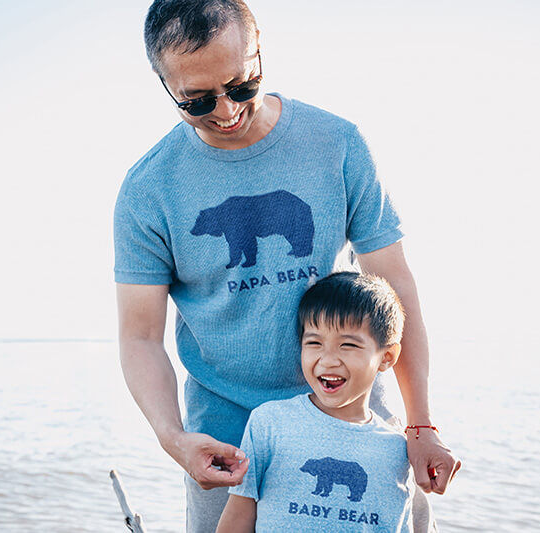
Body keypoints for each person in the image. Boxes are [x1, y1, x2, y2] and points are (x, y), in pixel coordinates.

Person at [114, 1, 460, 531]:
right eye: (198, 99)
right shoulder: (148, 191)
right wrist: (174, 438)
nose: (226, 110)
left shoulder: (337, 143)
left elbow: (394, 286)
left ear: (260, 51)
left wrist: (421, 424)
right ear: (164, 84)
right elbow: (140, 337)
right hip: (228, 434)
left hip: (355, 416)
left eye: (241, 84)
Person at [216, 271, 414, 532]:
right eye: (314, 343)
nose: (328, 359)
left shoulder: (398, 448)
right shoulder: (269, 424)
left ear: (387, 356)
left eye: (348, 345)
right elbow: (238, 517)